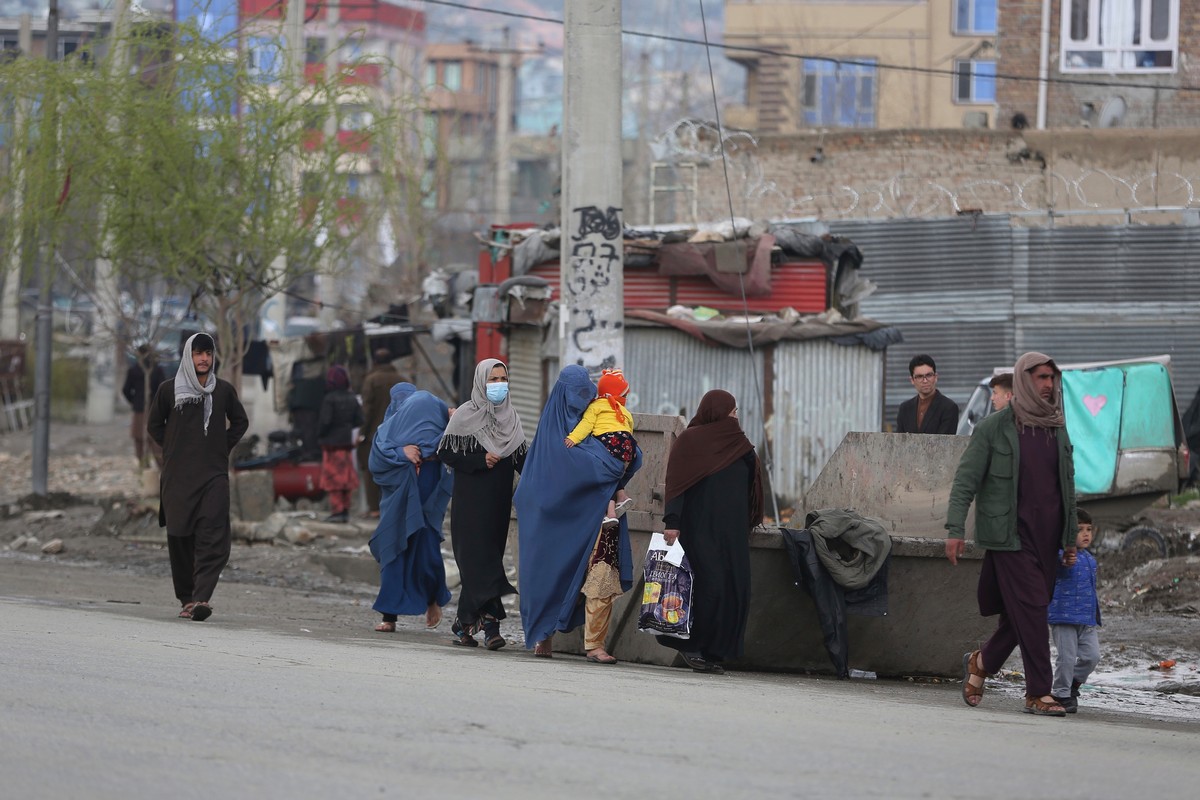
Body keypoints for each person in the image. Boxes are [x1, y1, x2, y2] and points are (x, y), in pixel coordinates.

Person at [945, 351, 1078, 717]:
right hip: (1009, 537)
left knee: (1024, 614)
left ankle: (981, 663)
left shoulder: (1057, 428)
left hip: (1047, 539)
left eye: (1052, 378)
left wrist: (1069, 538)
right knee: (1033, 610)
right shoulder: (994, 428)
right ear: (1023, 380)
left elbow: (1066, 486)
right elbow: (965, 481)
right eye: (1041, 377)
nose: (1048, 384)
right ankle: (1038, 692)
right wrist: (955, 529)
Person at [514, 365, 641, 663]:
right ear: (563, 395)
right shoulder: (553, 435)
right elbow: (597, 465)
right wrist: (611, 465)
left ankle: (595, 645)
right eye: (578, 393)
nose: (583, 399)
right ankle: (542, 637)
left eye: (588, 392)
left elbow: (626, 456)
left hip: (597, 517)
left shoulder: (595, 421)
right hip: (551, 523)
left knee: (601, 577)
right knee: (547, 576)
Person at [658, 390, 763, 674]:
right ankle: (692, 646)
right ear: (716, 412)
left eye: (737, 413)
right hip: (699, 529)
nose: (736, 418)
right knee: (707, 586)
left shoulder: (740, 445)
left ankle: (716, 650)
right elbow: (676, 484)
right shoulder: (690, 441)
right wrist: (673, 522)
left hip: (733, 533)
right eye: (732, 412)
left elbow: (751, 485)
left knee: (733, 589)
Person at [147, 332, 249, 622]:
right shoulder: (169, 391)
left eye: (208, 353)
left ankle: (202, 598)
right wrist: (173, 449)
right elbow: (154, 425)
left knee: (213, 534)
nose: (203, 359)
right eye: (197, 353)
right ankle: (187, 598)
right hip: (178, 478)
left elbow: (240, 421)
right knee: (180, 536)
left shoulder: (223, 391)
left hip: (213, 475)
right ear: (187, 356)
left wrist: (221, 446)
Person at [438, 358, 527, 650]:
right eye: (493, 379)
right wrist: (480, 460)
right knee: (477, 564)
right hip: (469, 504)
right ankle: (491, 627)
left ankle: (463, 624)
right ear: (480, 381)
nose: (499, 384)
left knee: (488, 562)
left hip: (498, 506)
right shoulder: (464, 415)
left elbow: (524, 464)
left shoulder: (511, 419)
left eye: (503, 379)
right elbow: (447, 454)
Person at [369, 390, 454, 633]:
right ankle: (389, 615)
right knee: (394, 550)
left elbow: (453, 454)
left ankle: (433, 600)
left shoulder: (441, 433)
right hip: (397, 504)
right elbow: (376, 463)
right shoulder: (387, 433)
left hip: (427, 505)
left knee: (427, 552)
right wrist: (401, 453)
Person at [564, 368, 636, 529]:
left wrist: (573, 438)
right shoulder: (624, 411)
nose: (625, 399)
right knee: (615, 470)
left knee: (604, 474)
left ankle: (609, 513)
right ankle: (622, 495)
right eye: (624, 395)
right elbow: (629, 428)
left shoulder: (596, 406)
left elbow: (586, 425)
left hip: (608, 442)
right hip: (626, 444)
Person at [1049, 509, 1100, 713]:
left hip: (1086, 619)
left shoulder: (1090, 559)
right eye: (1079, 530)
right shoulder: (1062, 555)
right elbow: (1057, 567)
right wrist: (1062, 561)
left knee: (1092, 657)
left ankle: (1072, 684)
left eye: (1089, 529)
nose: (1086, 534)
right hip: (1064, 617)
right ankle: (1061, 694)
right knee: (1066, 658)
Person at [357, 348, 401, 519]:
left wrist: (361, 432)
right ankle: (393, 506)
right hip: (398, 435)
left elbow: (366, 409)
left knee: (372, 471)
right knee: (395, 469)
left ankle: (375, 508)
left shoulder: (372, 380)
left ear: (375, 362)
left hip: (375, 434)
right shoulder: (402, 380)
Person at [318, 365, 363, 523]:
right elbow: (359, 420)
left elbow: (325, 421)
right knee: (346, 479)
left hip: (331, 444)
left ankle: (336, 510)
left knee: (334, 479)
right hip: (346, 444)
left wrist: (320, 434)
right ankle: (345, 510)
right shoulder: (352, 397)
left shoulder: (329, 399)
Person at [122, 344, 166, 467]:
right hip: (154, 410)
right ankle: (161, 469)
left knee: (139, 440)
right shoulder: (158, 370)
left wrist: (134, 401)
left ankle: (144, 468)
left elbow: (125, 390)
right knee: (156, 441)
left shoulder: (133, 370)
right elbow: (164, 390)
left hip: (139, 410)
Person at [895, 354, 959, 434]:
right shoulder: (904, 409)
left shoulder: (949, 408)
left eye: (929, 375)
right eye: (919, 376)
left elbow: (945, 443)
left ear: (935, 377)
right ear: (912, 380)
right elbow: (899, 442)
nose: (925, 381)